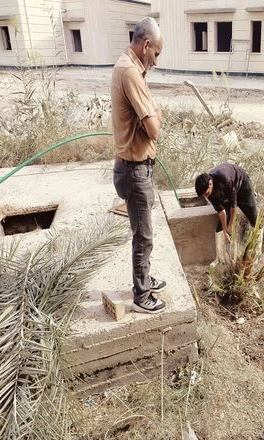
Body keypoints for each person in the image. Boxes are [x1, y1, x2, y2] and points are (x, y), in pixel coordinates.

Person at [111, 17, 166, 314]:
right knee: (143, 235)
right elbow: (154, 128)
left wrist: (154, 115)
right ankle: (142, 296)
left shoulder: (130, 67)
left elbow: (151, 121)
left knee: (143, 231)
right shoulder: (130, 72)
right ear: (146, 46)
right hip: (134, 168)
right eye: (156, 53)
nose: (156, 61)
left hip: (133, 166)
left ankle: (145, 278)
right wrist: (157, 114)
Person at [194, 163, 258, 243]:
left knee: (254, 217)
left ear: (210, 184)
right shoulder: (209, 192)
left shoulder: (224, 178)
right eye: (204, 195)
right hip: (227, 193)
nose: (206, 196)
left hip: (242, 186)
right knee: (222, 225)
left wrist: (230, 225)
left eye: (206, 194)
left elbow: (233, 203)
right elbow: (221, 211)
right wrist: (225, 231)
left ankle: (257, 243)